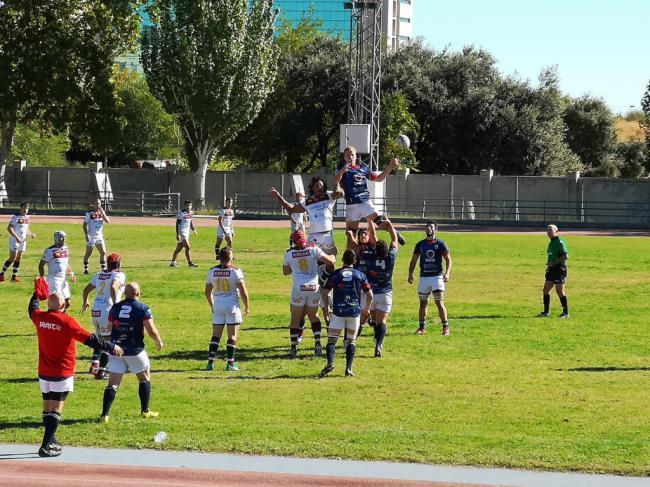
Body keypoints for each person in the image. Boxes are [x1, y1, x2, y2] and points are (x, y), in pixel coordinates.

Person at [28, 287, 123, 457]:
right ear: (64, 304)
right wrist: (111, 347)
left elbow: (32, 308)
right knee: (56, 408)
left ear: (48, 304)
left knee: (47, 406)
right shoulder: (67, 322)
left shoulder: (39, 317)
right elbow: (90, 339)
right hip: (61, 372)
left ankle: (51, 439)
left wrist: (36, 293)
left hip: (44, 370)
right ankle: (45, 445)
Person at [270, 176, 344, 322]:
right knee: (312, 261)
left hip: (328, 234)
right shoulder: (308, 202)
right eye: (317, 186)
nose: (320, 188)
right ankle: (313, 284)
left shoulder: (328, 196)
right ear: (313, 188)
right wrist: (278, 197)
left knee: (331, 263)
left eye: (322, 185)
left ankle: (324, 282)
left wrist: (337, 179)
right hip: (315, 237)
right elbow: (291, 209)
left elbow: (340, 194)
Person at [100, 282, 163, 422]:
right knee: (144, 378)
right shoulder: (143, 308)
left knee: (112, 384)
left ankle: (105, 415)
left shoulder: (115, 308)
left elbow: (109, 329)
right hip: (135, 351)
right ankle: (145, 411)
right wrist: (159, 341)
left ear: (124, 294)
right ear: (138, 294)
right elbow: (151, 330)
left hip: (117, 350)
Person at [333, 146, 405, 246]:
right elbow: (335, 181)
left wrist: (390, 167)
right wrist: (342, 171)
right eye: (347, 156)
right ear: (344, 157)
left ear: (355, 156)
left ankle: (395, 234)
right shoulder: (340, 168)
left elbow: (379, 178)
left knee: (383, 223)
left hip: (365, 202)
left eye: (352, 155)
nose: (350, 157)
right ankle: (349, 260)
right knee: (350, 234)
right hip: (351, 205)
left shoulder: (362, 168)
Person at [283, 229, 335, 358]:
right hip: (313, 286)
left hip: (298, 287)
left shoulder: (289, 253)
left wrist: (295, 267)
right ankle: (317, 342)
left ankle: (293, 347)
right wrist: (333, 255)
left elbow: (285, 271)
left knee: (295, 318)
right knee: (314, 316)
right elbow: (330, 261)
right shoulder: (313, 249)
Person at [320, 250, 373, 378]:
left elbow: (325, 291)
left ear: (343, 260)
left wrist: (327, 308)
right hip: (354, 312)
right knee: (351, 341)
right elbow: (369, 294)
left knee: (331, 341)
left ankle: (330, 363)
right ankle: (348, 369)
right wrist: (366, 309)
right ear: (354, 261)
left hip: (338, 311)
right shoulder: (360, 275)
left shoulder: (335, 274)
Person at [80, 253, 126, 379]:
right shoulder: (119, 275)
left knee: (100, 339)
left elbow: (86, 289)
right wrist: (116, 304)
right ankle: (101, 371)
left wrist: (86, 301)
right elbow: (113, 286)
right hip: (107, 310)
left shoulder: (98, 274)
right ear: (118, 264)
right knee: (108, 341)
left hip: (95, 310)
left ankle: (95, 364)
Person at [204, 247, 250, 371]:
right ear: (230, 257)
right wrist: (247, 306)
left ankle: (210, 363)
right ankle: (230, 364)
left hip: (218, 305)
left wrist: (212, 305)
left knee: (215, 335)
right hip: (232, 305)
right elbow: (243, 291)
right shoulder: (235, 271)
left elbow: (207, 292)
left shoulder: (212, 271)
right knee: (232, 335)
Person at [357, 220, 397, 357]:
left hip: (371, 294)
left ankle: (351, 341)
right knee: (381, 321)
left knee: (368, 318)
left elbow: (372, 238)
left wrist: (370, 221)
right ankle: (378, 345)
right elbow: (394, 239)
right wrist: (390, 225)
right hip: (385, 293)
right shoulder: (391, 257)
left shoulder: (369, 256)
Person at [408, 221, 452, 335]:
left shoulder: (441, 243)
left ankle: (445, 327)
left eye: (431, 227)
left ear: (436, 230)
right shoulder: (420, 244)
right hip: (424, 277)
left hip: (437, 277)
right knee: (423, 303)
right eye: (427, 226)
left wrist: (447, 273)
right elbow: (413, 260)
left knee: (439, 302)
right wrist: (410, 274)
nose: (429, 228)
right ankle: (422, 328)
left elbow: (448, 260)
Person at [39, 230, 76, 312]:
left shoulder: (65, 249)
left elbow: (65, 262)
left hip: (63, 280)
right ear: (56, 239)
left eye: (64, 238)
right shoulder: (49, 250)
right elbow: (41, 265)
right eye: (61, 238)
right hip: (54, 280)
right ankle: (52, 320)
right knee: (56, 304)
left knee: (67, 303)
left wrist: (71, 273)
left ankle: (61, 317)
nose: (63, 240)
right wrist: (42, 278)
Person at [538, 224, 570, 318]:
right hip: (551, 269)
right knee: (545, 290)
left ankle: (566, 313)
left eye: (551, 230)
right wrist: (549, 264)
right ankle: (546, 312)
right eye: (547, 230)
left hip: (559, 269)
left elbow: (566, 256)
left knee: (560, 291)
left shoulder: (560, 242)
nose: (548, 232)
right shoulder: (551, 243)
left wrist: (554, 262)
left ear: (556, 232)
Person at [1, 201, 35, 282]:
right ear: (21, 208)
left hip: (23, 241)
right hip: (15, 240)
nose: (26, 209)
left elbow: (26, 229)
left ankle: (14, 277)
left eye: (27, 208)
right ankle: (1, 275)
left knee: (18, 258)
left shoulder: (27, 217)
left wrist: (30, 234)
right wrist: (16, 237)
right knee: (12, 258)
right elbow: (9, 228)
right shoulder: (16, 217)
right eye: (24, 208)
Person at [82, 198, 110, 274]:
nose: (98, 205)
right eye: (96, 203)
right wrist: (86, 235)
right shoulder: (89, 213)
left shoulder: (102, 212)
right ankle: (86, 269)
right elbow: (84, 225)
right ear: (93, 204)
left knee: (103, 252)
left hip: (99, 236)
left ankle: (103, 270)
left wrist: (103, 214)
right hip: (91, 236)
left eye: (99, 203)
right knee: (88, 253)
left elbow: (108, 221)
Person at [170, 200, 198, 268]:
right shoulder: (181, 213)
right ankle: (190, 263)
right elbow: (177, 224)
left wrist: (193, 229)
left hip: (187, 232)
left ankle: (172, 263)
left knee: (179, 248)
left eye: (190, 205)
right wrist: (177, 234)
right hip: (182, 232)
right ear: (185, 206)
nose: (189, 207)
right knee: (188, 247)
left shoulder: (191, 213)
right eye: (187, 205)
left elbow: (190, 222)